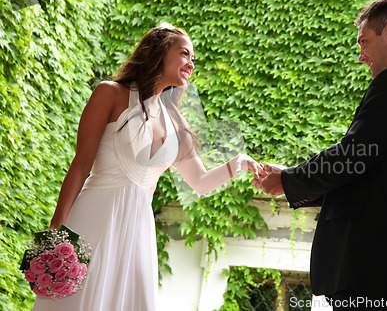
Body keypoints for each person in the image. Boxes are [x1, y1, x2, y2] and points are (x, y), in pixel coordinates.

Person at [33, 25, 264, 311]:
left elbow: (200, 182)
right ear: (159, 52)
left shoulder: (177, 123)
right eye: (184, 53)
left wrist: (238, 162)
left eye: (193, 58)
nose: (191, 63)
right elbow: (80, 166)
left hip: (139, 231)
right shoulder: (110, 93)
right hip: (94, 219)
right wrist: (56, 231)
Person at [253, 0, 387, 310]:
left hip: (376, 269)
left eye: (363, 41)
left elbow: (353, 156)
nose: (361, 56)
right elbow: (375, 177)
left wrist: (288, 180)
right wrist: (291, 180)